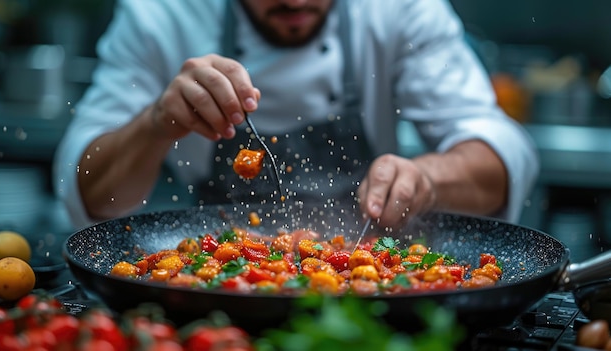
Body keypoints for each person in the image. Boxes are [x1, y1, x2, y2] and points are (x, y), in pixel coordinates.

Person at [53, 0, 539, 230]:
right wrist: (154, 125)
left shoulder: (401, 8)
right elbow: (90, 189)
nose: (295, 1)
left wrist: (426, 179)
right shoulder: (159, 14)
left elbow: (500, 149)